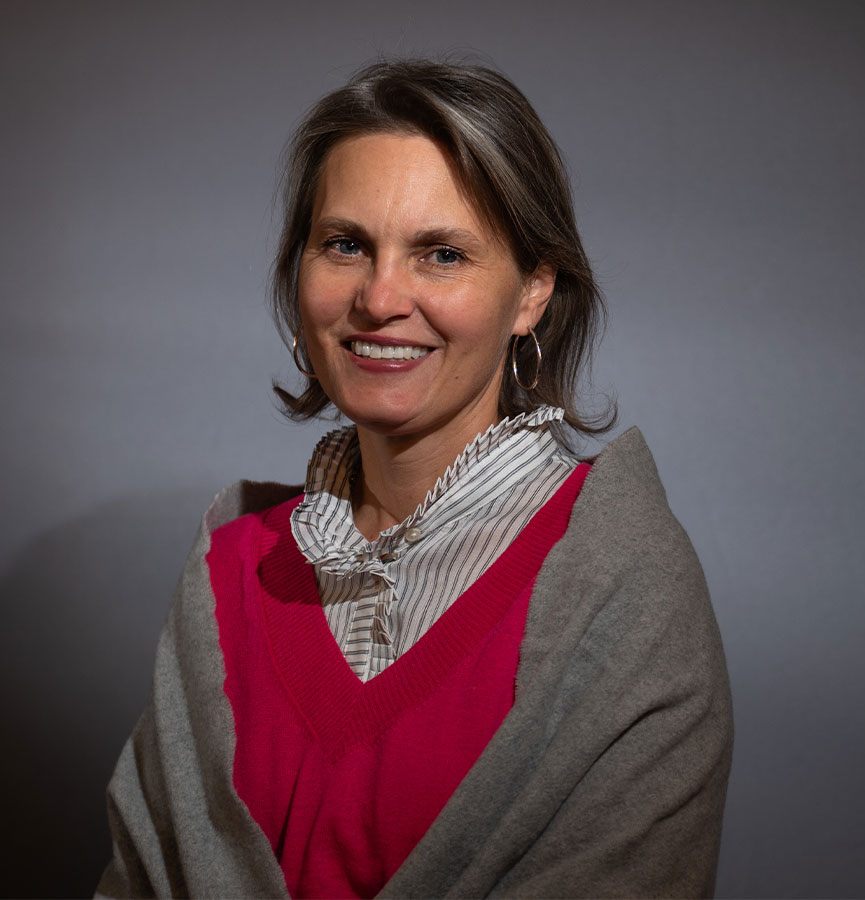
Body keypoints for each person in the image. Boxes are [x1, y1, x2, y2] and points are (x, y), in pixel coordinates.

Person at [97, 60, 732, 899]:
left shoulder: (624, 585)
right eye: (345, 245)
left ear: (533, 292)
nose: (380, 297)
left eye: (441, 254)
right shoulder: (224, 574)